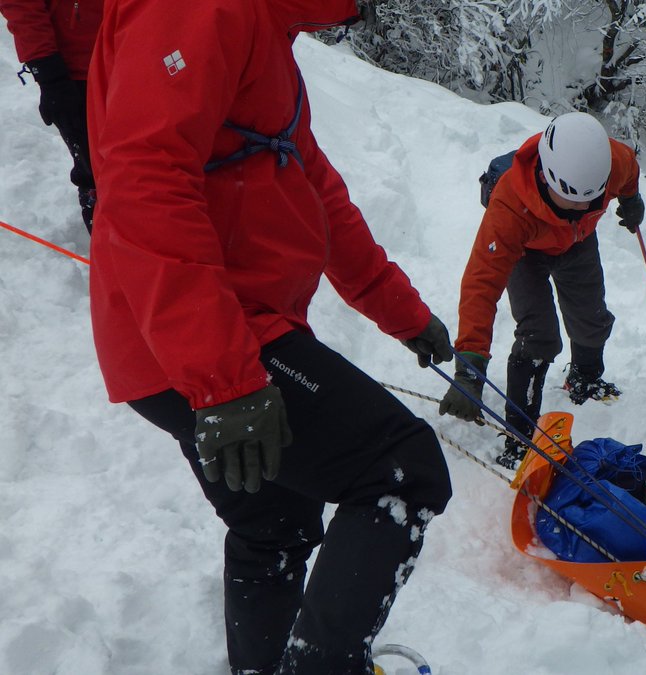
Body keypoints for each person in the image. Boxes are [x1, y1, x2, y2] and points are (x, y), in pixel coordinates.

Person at [86, 1, 454, 673]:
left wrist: (401, 311)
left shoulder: (262, 27)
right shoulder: (202, 10)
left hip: (210, 330)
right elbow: (146, 177)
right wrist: (224, 378)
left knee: (275, 525)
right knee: (402, 467)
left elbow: (312, 185)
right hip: (206, 334)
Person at [438, 111, 644, 469]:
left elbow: (629, 172)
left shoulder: (611, 162)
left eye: (591, 198)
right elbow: (480, 284)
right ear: (547, 177)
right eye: (572, 198)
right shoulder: (509, 207)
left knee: (591, 318)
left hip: (577, 243)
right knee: (539, 336)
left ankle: (584, 378)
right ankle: (520, 435)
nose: (583, 207)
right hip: (526, 252)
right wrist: (469, 369)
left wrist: (631, 199)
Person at [0, 0, 101, 231]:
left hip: (152, 60)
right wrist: (49, 75)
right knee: (97, 174)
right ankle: (112, 248)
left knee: (161, 164)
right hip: (80, 72)